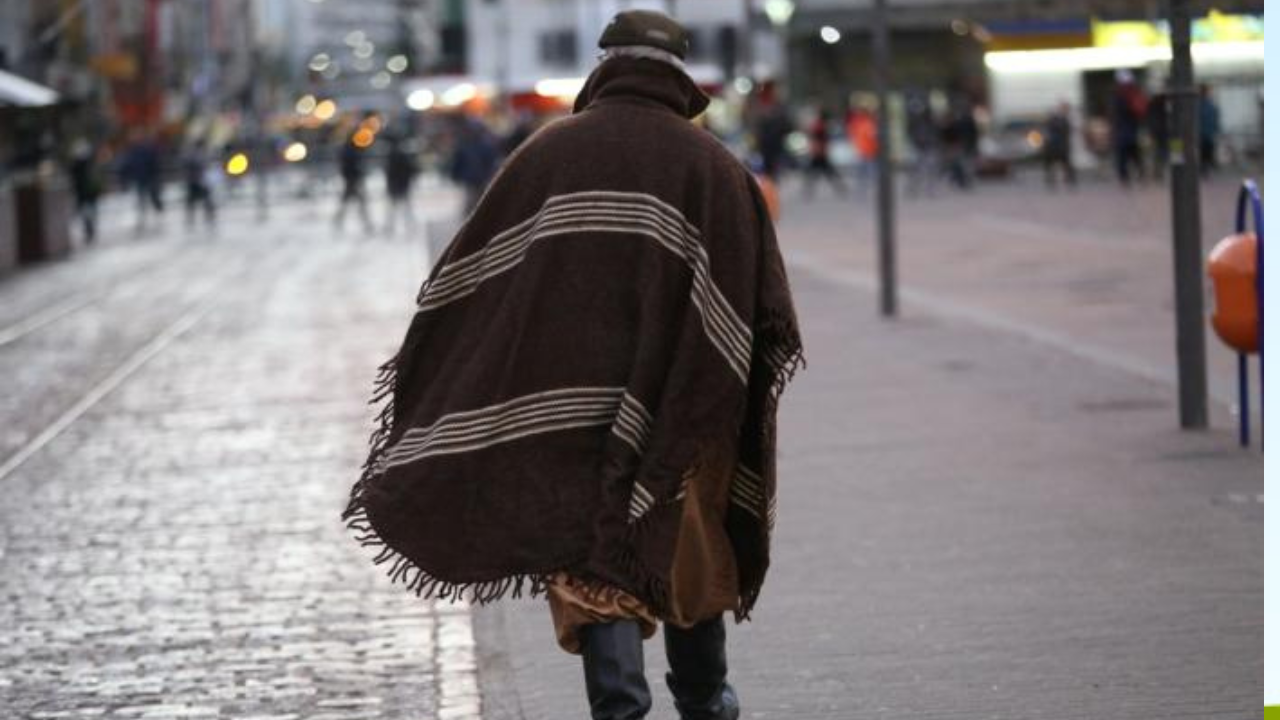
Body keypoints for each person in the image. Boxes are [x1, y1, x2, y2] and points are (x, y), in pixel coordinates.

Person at [341, 10, 803, 720]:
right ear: (679, 75)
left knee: (594, 563)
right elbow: (755, 306)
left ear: (603, 64)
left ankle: (619, 711)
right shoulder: (713, 167)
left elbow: (467, 284)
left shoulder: (545, 154)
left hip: (567, 417)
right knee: (689, 556)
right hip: (681, 411)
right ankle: (706, 702)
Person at [448, 116, 501, 215]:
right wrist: (455, 175)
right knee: (471, 201)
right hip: (471, 178)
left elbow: (492, 161)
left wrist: (491, 174)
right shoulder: (464, 144)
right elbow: (458, 161)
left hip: (482, 178)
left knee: (481, 200)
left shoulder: (486, 144)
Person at [118, 129, 165, 232]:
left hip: (149, 178)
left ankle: (158, 215)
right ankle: (142, 219)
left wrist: (156, 176)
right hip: (139, 179)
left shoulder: (147, 149)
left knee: (153, 197)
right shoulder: (131, 151)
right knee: (141, 200)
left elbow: (155, 164)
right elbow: (127, 166)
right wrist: (124, 179)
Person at [334, 129, 374, 234]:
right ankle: (366, 225)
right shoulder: (351, 150)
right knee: (356, 205)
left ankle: (366, 225)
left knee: (352, 204)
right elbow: (349, 167)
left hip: (352, 181)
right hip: (352, 181)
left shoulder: (352, 149)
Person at [1112, 69, 1147, 185]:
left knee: (1125, 155)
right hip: (1131, 130)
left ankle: (1125, 177)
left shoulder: (1119, 95)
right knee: (1134, 155)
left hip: (1125, 131)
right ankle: (1139, 174)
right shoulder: (1133, 93)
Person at [802, 107, 846, 199]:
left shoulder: (819, 125)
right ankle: (840, 187)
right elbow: (817, 138)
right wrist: (818, 149)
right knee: (825, 171)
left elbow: (815, 137)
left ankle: (808, 190)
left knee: (820, 171)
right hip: (819, 152)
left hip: (819, 151)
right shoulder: (820, 126)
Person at [67, 138, 103, 244]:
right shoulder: (86, 164)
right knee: (89, 213)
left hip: (86, 194)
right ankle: (89, 229)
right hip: (87, 194)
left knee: (87, 213)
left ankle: (89, 229)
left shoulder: (80, 165)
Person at [383, 136, 419, 236]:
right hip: (402, 186)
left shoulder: (391, 157)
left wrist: (389, 187)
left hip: (395, 186)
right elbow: (411, 170)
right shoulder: (403, 156)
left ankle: (390, 228)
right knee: (405, 208)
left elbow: (389, 174)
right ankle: (409, 227)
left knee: (394, 209)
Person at [181, 140, 216, 229]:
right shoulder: (198, 155)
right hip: (197, 181)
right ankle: (204, 218)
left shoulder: (197, 155)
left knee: (200, 201)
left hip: (199, 181)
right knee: (197, 201)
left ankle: (205, 218)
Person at [846, 104, 878, 199]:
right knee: (864, 173)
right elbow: (853, 134)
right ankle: (862, 190)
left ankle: (867, 190)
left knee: (869, 172)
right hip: (863, 151)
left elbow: (872, 137)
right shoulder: (859, 123)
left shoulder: (867, 123)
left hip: (869, 151)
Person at [1042, 101, 1076, 188]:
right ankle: (1053, 179)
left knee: (1064, 163)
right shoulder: (1057, 119)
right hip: (1055, 145)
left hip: (1060, 145)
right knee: (1055, 163)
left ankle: (1068, 179)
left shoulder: (1064, 119)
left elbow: (1067, 131)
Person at [1199, 84, 1222, 178]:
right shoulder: (1209, 105)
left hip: (1204, 133)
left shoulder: (1203, 105)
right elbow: (1215, 118)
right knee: (1206, 153)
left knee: (1205, 153)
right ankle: (1206, 169)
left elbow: (1215, 118)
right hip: (1206, 134)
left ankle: (1205, 169)